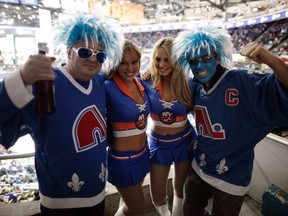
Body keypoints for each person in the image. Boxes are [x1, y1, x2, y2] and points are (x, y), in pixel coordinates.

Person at [0, 11, 124, 216]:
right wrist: (20, 79)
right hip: (60, 202)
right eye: (85, 52)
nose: (94, 59)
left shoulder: (99, 81)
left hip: (98, 194)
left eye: (100, 55)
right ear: (68, 52)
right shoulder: (46, 83)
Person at [171, 24, 288, 216]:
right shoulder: (195, 85)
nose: (199, 67)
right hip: (198, 167)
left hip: (233, 176)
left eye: (206, 59)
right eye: (193, 61)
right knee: (190, 210)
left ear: (217, 57)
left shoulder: (243, 81)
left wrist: (270, 59)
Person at [141, 37, 197, 216]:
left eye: (167, 59)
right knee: (157, 196)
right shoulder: (145, 82)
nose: (162, 64)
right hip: (158, 144)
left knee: (180, 190)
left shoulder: (189, 83)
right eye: (158, 59)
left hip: (184, 141)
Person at [105, 39, 151, 216]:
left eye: (134, 62)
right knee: (137, 207)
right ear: (115, 63)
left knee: (127, 202)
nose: (130, 68)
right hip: (123, 160)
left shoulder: (140, 83)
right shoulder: (107, 86)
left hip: (142, 155)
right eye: (123, 63)